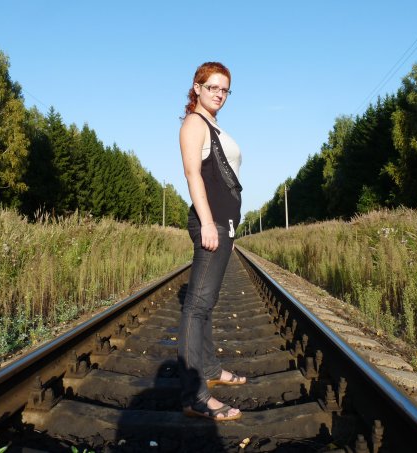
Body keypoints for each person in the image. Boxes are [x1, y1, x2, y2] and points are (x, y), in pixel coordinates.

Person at [178, 62, 246, 421]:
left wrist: (229, 230)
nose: (219, 94)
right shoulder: (194, 123)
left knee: (207, 304)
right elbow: (193, 175)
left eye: (225, 89)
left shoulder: (214, 124)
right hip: (211, 222)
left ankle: (210, 369)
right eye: (213, 87)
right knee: (196, 307)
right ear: (197, 87)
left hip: (223, 223)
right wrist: (207, 222)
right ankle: (195, 396)